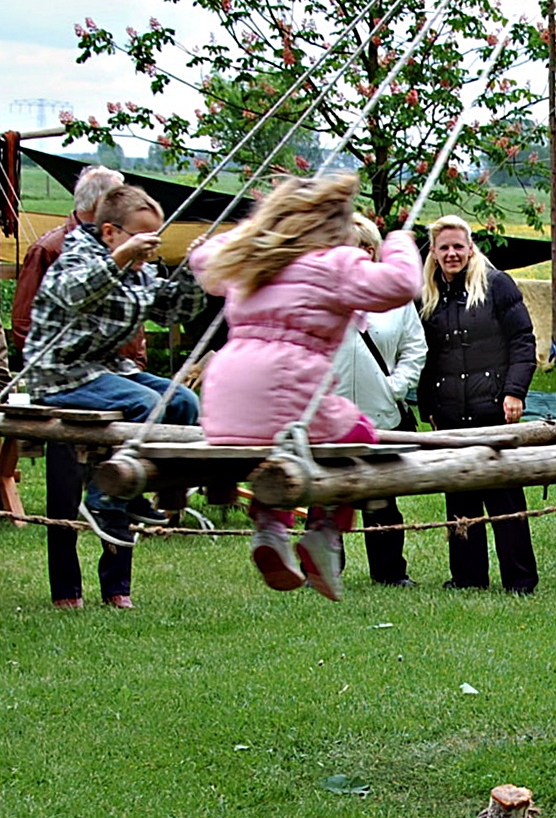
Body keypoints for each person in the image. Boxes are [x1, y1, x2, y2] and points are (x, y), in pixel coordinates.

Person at [189, 174, 422, 601]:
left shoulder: (255, 257)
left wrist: (259, 229)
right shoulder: (334, 265)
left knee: (282, 442)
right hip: (286, 390)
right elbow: (402, 286)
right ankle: (325, 531)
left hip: (224, 403)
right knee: (359, 437)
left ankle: (272, 527)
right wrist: (400, 242)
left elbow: (203, 259)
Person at [23, 183, 203, 562]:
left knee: (183, 401)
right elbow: (73, 293)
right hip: (58, 373)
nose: (150, 247)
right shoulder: (77, 255)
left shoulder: (139, 270)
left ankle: (161, 490)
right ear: (110, 232)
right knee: (146, 403)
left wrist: (195, 272)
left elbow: (173, 310)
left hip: (103, 369)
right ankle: (105, 498)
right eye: (143, 237)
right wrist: (121, 257)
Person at [10, 165, 156, 610]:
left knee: (122, 482)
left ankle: (117, 588)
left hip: (119, 380)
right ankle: (66, 591)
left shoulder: (126, 248)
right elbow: (24, 323)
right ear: (99, 208)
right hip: (70, 388)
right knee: (65, 494)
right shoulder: (53, 248)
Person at [417, 214, 539, 595]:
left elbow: (523, 341)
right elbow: (426, 355)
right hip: (451, 413)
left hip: (494, 408)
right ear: (434, 253)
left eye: (458, 246)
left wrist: (515, 391)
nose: (452, 254)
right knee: (460, 497)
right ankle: (468, 578)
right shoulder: (428, 294)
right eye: (444, 248)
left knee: (505, 498)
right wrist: (429, 407)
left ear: (470, 247)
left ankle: (520, 581)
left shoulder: (497, 284)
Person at [330, 214, 427, 587]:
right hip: (330, 416)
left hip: (380, 416)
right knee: (327, 494)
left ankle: (389, 572)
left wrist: (395, 387)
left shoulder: (394, 299)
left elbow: (414, 349)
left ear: (368, 251)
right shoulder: (321, 296)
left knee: (382, 498)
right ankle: (322, 570)